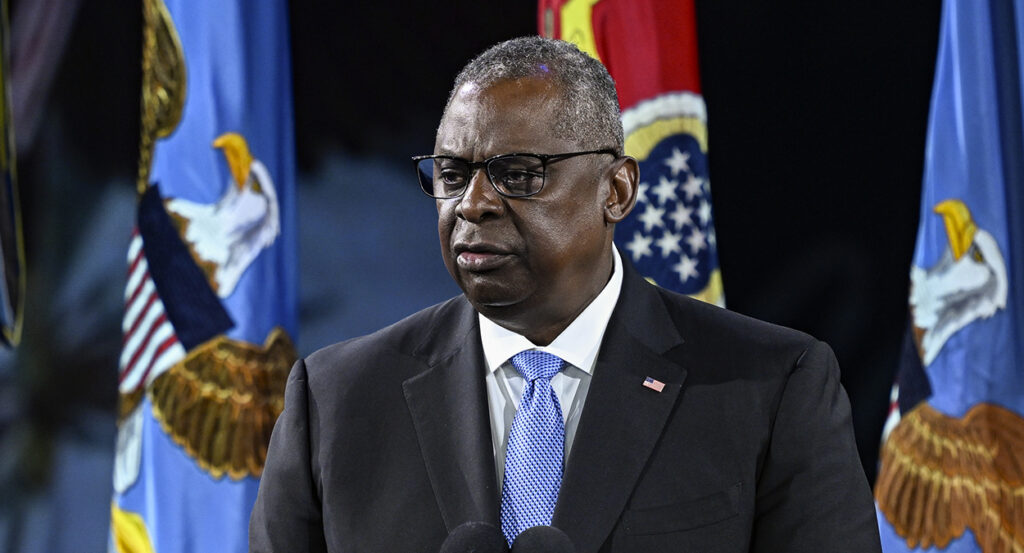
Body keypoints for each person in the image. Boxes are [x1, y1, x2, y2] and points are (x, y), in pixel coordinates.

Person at [249, 36, 881, 552]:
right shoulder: (336, 401)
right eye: (451, 174)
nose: (472, 204)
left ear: (617, 191)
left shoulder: (771, 387)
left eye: (517, 174)